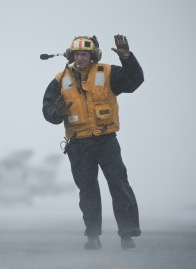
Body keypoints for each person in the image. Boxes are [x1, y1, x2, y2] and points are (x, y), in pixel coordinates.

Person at [42, 35, 144, 250]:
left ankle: (128, 234)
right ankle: (93, 236)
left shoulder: (108, 73)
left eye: (85, 54)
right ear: (71, 56)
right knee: (88, 190)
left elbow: (135, 81)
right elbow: (48, 112)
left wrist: (127, 58)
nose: (80, 58)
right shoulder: (59, 80)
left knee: (119, 184)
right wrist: (57, 112)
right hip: (78, 145)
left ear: (93, 56)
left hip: (106, 141)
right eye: (77, 54)